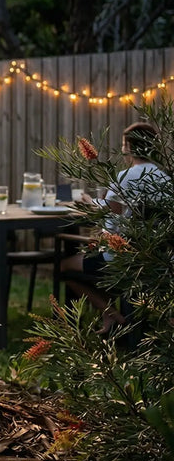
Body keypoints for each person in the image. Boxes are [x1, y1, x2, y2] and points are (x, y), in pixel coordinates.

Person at [61, 121, 169, 331]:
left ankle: (110, 314)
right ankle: (113, 318)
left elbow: (110, 222)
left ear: (127, 147)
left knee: (64, 266)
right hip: (159, 259)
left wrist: (89, 203)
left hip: (124, 259)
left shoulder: (125, 178)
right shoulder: (165, 178)